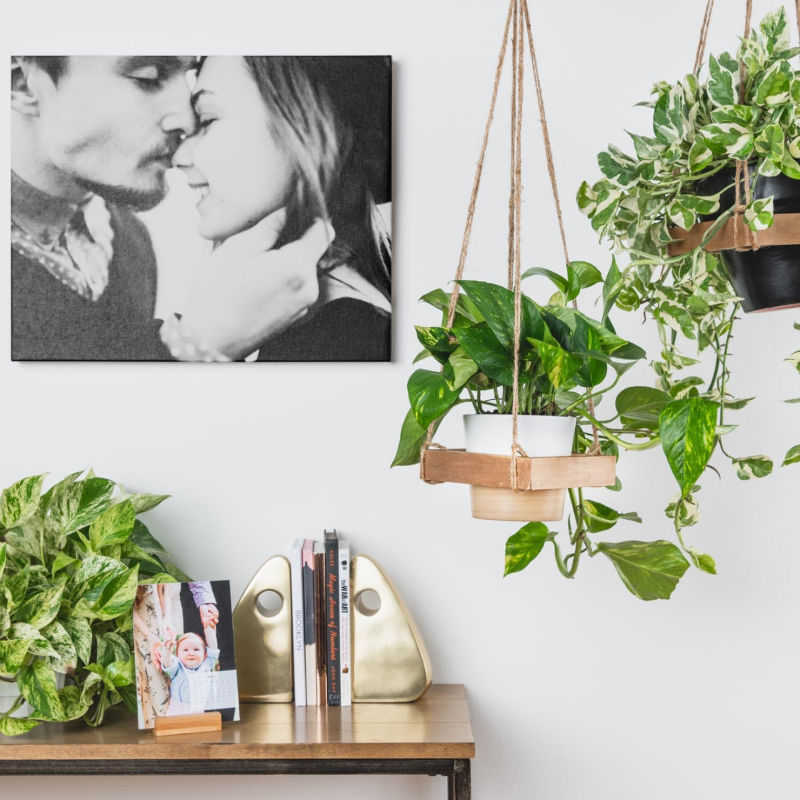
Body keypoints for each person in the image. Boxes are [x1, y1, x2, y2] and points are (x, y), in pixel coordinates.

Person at [10, 56, 327, 361]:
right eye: (148, 78)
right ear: (22, 84)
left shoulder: (130, 244)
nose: (188, 120)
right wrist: (196, 346)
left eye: (186, 76)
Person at [170, 56, 392, 361]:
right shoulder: (333, 322)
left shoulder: (337, 341)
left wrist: (197, 351)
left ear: (304, 126)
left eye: (207, 121)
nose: (179, 157)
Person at [157, 627, 220, 715]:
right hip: (177, 710)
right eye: (185, 650)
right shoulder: (178, 666)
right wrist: (167, 648)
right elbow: (167, 662)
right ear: (177, 654)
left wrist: (207, 626)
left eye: (196, 649)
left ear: (205, 654)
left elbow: (213, 646)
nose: (191, 653)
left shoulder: (207, 665)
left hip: (199, 710)